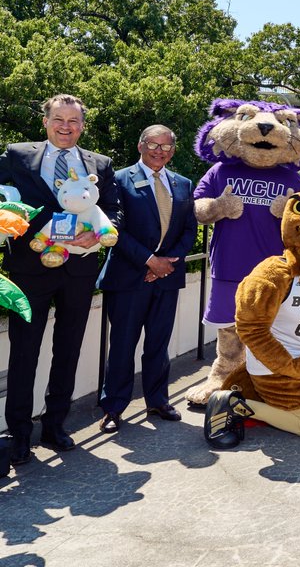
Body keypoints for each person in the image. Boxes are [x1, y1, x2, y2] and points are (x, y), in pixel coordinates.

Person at [0, 94, 121, 465]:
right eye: (59, 119)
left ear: (82, 125)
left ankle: (55, 426)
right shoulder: (16, 156)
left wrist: (100, 233)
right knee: (25, 353)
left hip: (80, 271)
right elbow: (5, 204)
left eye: (74, 121)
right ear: (45, 121)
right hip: (30, 268)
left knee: (68, 349)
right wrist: (47, 229)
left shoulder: (100, 164)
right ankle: (19, 435)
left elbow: (114, 210)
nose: (66, 127)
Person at [97, 125, 198, 433]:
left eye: (166, 147)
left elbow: (189, 230)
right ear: (140, 145)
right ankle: (114, 407)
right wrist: (149, 261)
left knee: (158, 344)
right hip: (129, 277)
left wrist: (166, 264)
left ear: (173, 151)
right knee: (123, 346)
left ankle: (157, 399)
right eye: (153, 144)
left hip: (166, 278)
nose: (160, 151)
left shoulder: (183, 184)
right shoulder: (118, 179)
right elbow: (114, 230)